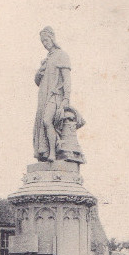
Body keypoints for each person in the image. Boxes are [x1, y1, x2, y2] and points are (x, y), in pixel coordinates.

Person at [33, 27, 73, 162]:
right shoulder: (46, 60)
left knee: (47, 121)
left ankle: (53, 153)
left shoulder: (62, 55)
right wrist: (39, 72)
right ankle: (45, 152)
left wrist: (66, 98)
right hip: (43, 97)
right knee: (42, 123)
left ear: (52, 38)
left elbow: (67, 79)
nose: (45, 43)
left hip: (55, 96)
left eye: (46, 39)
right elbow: (38, 81)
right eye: (42, 41)